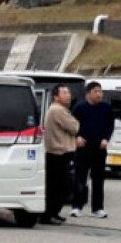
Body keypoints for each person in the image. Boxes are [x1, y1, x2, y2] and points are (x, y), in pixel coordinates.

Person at [71, 81, 114, 219]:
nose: (99, 94)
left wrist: (106, 138)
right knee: (80, 178)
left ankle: (98, 208)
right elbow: (72, 125)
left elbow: (110, 125)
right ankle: (77, 206)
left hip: (99, 148)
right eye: (96, 91)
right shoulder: (79, 108)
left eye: (100, 91)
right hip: (83, 147)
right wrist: (76, 137)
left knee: (98, 178)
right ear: (88, 93)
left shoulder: (106, 108)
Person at [42, 84, 79, 225]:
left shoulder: (59, 109)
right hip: (59, 153)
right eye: (64, 93)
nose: (68, 95)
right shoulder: (58, 110)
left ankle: (53, 213)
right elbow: (75, 127)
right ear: (56, 97)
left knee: (59, 186)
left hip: (58, 153)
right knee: (59, 186)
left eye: (68, 92)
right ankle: (49, 214)